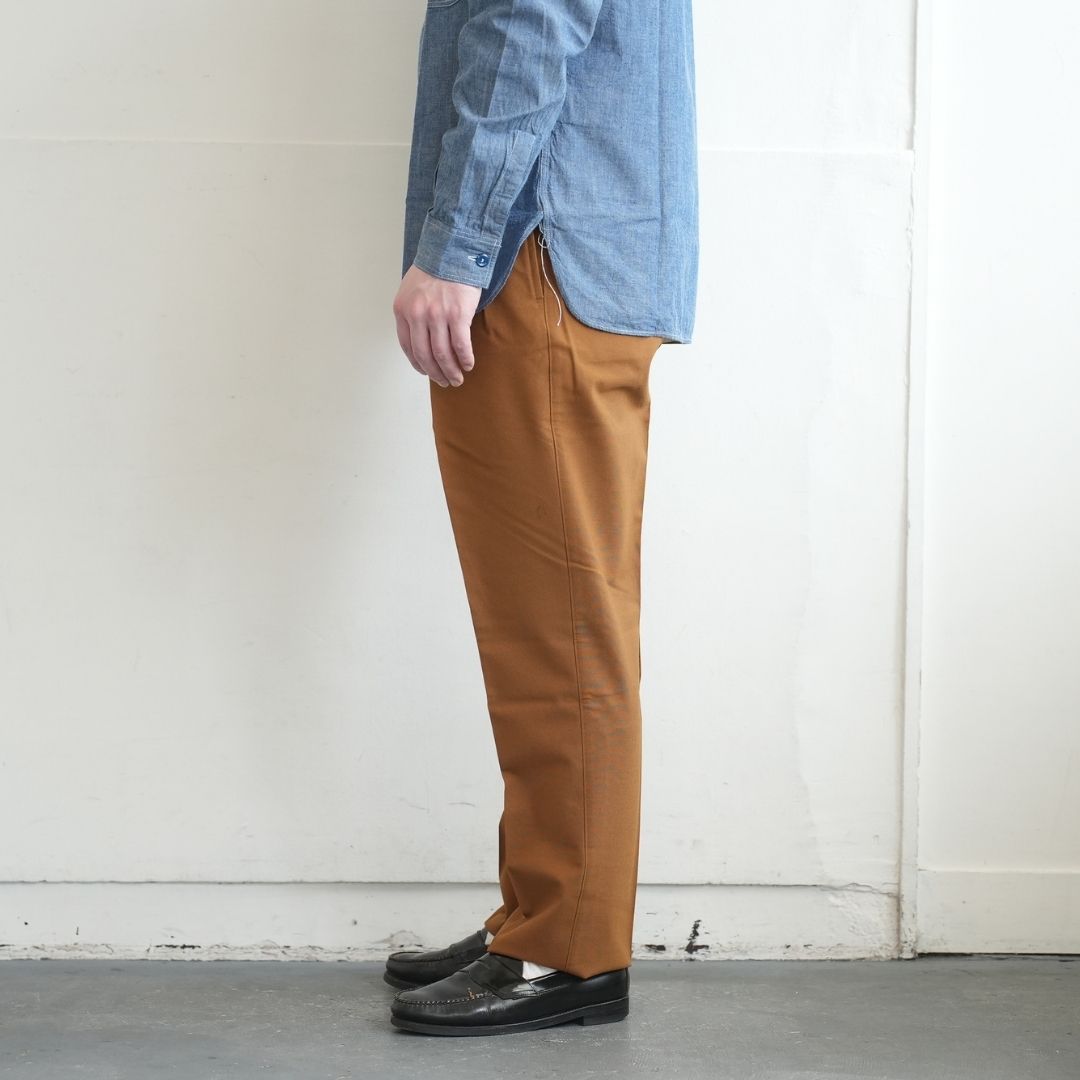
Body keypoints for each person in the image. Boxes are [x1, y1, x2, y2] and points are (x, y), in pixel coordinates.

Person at [387, 0, 698, 1036]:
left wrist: (457, 244)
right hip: (560, 244)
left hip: (540, 249)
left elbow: (526, 25)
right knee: (546, 630)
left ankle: (569, 948)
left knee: (560, 635)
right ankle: (539, 912)